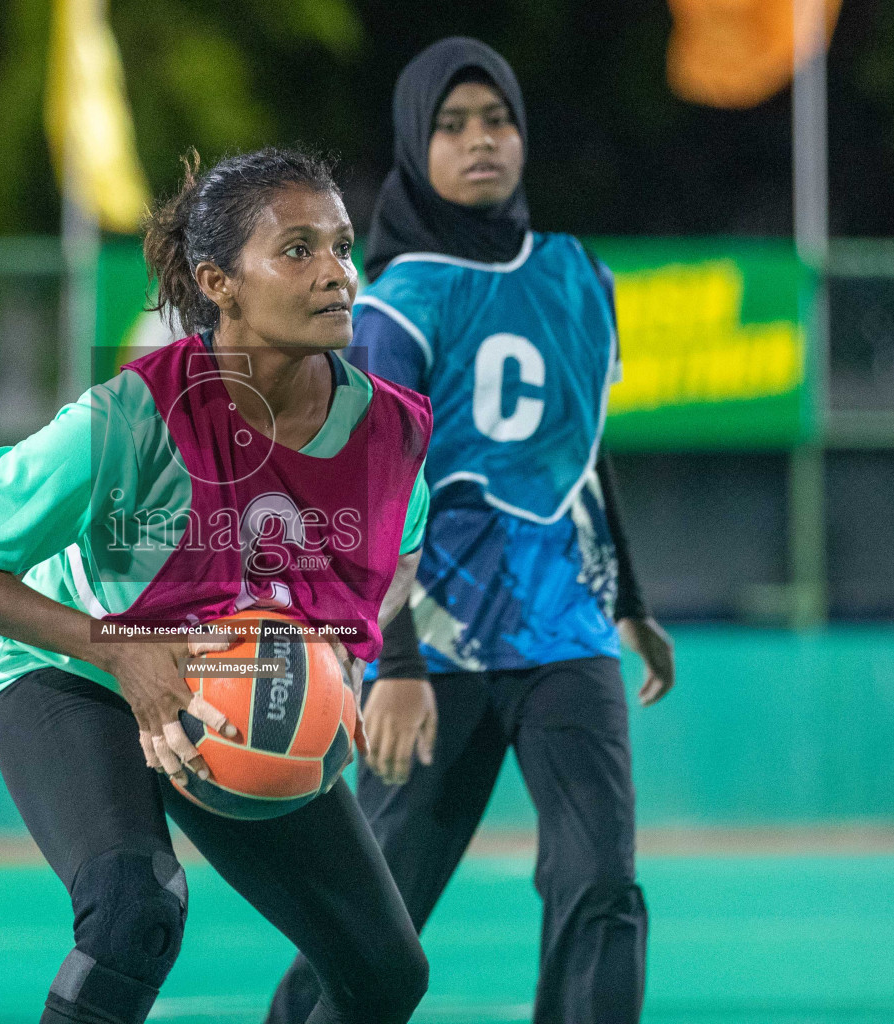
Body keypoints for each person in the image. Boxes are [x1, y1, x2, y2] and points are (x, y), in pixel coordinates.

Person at [0, 148, 434, 1024]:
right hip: (71, 668)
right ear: (218, 281)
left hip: (234, 683)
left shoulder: (390, 432)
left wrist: (355, 656)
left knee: (385, 973)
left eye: (342, 247)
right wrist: (120, 653)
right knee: (135, 911)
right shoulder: (129, 420)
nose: (337, 273)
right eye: (297, 250)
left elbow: (400, 555)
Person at [266, 38, 676, 1024]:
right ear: (417, 144)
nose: (480, 141)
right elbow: (356, 492)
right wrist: (394, 663)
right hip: (434, 646)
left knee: (601, 880)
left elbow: (582, 446)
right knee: (375, 917)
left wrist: (629, 600)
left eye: (496, 120)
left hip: (565, 630)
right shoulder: (395, 306)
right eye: (452, 125)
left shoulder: (583, 276)